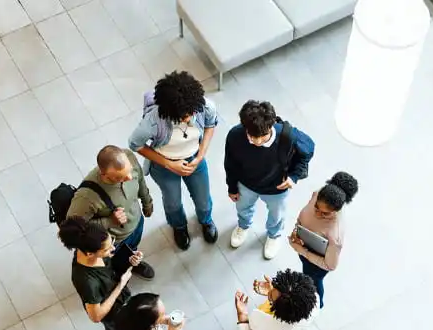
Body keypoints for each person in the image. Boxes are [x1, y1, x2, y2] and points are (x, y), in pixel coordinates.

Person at [129, 71, 219, 251]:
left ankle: (206, 221)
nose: (190, 117)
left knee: (202, 198)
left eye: (192, 112)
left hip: (194, 158)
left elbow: (210, 125)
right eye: (185, 115)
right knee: (173, 202)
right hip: (164, 165)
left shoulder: (204, 107)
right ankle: (179, 227)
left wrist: (201, 155)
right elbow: (135, 144)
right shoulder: (153, 121)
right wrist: (169, 164)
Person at [224, 100, 315, 259]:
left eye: (262, 136)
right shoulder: (235, 135)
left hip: (276, 187)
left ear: (271, 126)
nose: (257, 141)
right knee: (242, 208)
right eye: (252, 136)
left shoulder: (288, 135)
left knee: (276, 215)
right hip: (246, 184)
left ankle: (274, 236)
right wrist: (232, 187)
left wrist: (294, 177)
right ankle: (243, 226)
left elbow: (308, 150)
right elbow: (230, 163)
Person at [58, 216, 142, 330]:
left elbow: (112, 264)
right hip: (112, 312)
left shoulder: (90, 246)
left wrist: (129, 260)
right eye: (107, 249)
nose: (112, 250)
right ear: (90, 254)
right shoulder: (86, 280)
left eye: (112, 243)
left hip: (115, 303)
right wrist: (121, 285)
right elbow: (95, 316)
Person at [67, 145, 155, 280]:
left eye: (129, 172)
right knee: (115, 265)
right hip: (113, 242)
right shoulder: (87, 196)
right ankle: (118, 278)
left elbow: (140, 179)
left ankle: (131, 263)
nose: (129, 177)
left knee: (132, 251)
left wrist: (147, 201)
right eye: (121, 177)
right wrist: (109, 221)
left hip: (136, 223)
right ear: (104, 175)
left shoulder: (128, 157)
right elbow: (73, 229)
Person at [289, 172, 358, 309]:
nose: (318, 214)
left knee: (313, 283)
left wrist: (302, 251)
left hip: (316, 265)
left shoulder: (335, 235)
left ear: (337, 209)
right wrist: (297, 230)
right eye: (316, 208)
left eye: (325, 213)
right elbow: (303, 216)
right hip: (305, 248)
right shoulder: (318, 195)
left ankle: (316, 304)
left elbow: (330, 265)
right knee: (306, 278)